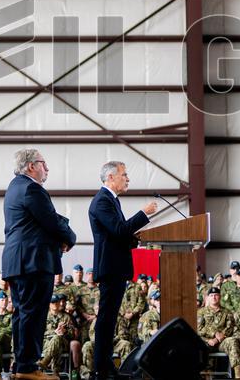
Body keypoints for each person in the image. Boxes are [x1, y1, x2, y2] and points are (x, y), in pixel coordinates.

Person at [1, 149, 76, 380]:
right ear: (31, 166)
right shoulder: (31, 188)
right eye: (44, 163)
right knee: (33, 314)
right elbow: (50, 220)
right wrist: (69, 237)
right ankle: (27, 368)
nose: (47, 168)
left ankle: (22, 365)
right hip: (32, 261)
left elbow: (37, 223)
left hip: (19, 260)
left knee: (23, 315)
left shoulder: (14, 187)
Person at [87, 161, 155, 380]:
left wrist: (135, 238)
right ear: (111, 178)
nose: (127, 179)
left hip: (116, 267)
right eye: (124, 175)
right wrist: (143, 214)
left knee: (109, 321)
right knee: (106, 321)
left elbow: (119, 234)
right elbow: (118, 230)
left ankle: (105, 367)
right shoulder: (102, 201)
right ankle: (101, 370)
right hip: (110, 268)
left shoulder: (111, 200)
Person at [198, 287, 240, 379]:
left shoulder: (227, 312)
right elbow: (199, 329)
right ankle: (204, 375)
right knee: (196, 345)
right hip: (206, 342)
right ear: (208, 298)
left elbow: (230, 328)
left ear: (220, 296)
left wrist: (217, 338)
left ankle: (238, 374)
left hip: (222, 341)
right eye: (211, 295)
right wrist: (212, 335)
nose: (214, 297)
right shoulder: (201, 312)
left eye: (216, 295)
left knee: (232, 341)